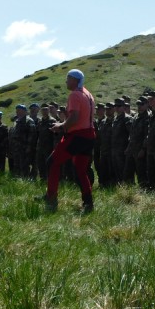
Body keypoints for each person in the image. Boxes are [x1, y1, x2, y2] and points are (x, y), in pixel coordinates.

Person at [45, 69, 96, 213]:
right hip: (89, 136)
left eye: (68, 78)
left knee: (52, 162)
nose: (66, 81)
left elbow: (74, 118)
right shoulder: (88, 94)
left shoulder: (74, 95)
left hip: (77, 136)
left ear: (74, 80)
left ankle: (51, 197)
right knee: (81, 170)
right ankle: (88, 203)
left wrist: (60, 126)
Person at [124, 97, 150, 186]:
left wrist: (143, 149)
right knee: (128, 171)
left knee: (141, 172)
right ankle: (129, 192)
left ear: (147, 104)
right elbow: (132, 134)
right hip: (132, 149)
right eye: (138, 104)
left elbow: (148, 135)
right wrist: (128, 147)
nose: (139, 106)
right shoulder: (135, 117)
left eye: (142, 104)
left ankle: (144, 191)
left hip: (141, 149)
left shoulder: (148, 117)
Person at [9, 104, 37, 179]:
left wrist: (28, 148)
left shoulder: (29, 121)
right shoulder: (17, 121)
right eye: (17, 110)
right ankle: (18, 184)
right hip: (16, 149)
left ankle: (25, 184)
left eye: (19, 111)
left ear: (24, 111)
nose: (17, 112)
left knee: (24, 167)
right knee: (17, 166)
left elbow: (32, 135)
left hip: (24, 149)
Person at [111, 98, 132, 183]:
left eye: (119, 106)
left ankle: (127, 190)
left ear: (123, 107)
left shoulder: (127, 118)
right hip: (115, 150)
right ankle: (119, 189)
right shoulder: (115, 118)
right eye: (115, 106)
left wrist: (128, 148)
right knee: (116, 171)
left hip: (123, 150)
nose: (116, 108)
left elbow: (132, 134)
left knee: (125, 171)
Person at [35, 104, 58, 181]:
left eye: (46, 109)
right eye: (43, 110)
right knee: (40, 163)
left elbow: (55, 135)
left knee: (49, 164)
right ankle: (42, 179)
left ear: (48, 110)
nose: (44, 111)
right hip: (40, 147)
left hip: (49, 147)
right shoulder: (40, 121)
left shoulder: (53, 121)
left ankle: (50, 180)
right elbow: (38, 134)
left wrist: (54, 147)